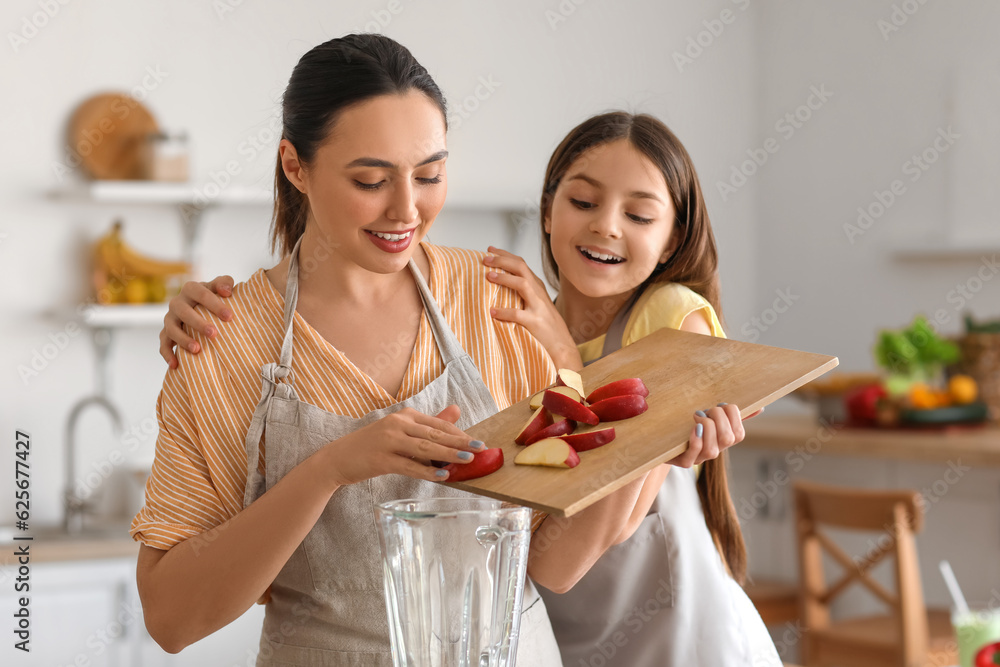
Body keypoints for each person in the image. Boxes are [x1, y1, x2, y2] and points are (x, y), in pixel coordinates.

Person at [135, 35, 746, 667]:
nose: (407, 208)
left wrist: (655, 447)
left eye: (429, 175)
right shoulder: (221, 339)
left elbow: (555, 564)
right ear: (295, 166)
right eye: (371, 180)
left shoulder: (501, 303)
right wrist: (328, 471)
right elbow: (171, 618)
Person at [482, 112, 782, 666]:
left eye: (639, 214)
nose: (606, 226)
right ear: (548, 211)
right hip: (564, 642)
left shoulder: (671, 321)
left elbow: (559, 562)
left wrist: (565, 361)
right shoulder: (519, 332)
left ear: (671, 241)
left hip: (682, 643)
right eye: (583, 202)